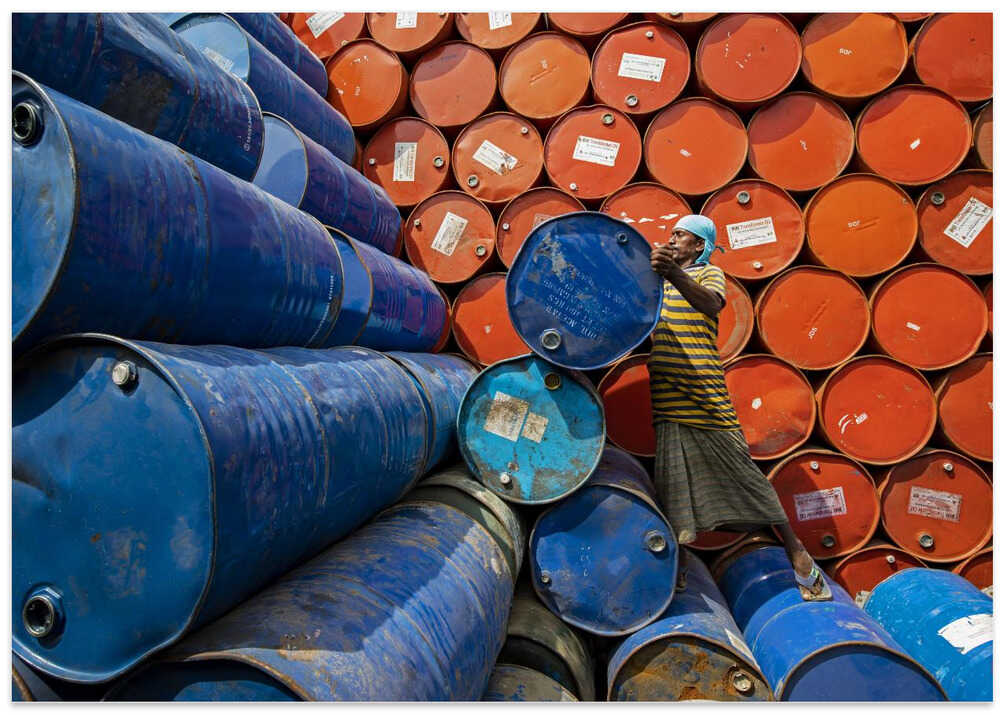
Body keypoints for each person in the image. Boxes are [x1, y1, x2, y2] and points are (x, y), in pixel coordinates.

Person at [648, 214, 831, 600]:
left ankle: (796, 552)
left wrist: (672, 275)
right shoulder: (658, 283)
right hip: (668, 391)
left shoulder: (706, 275)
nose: (673, 239)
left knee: (742, 471)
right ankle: (678, 563)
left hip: (703, 389)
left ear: (699, 246)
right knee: (675, 480)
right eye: (672, 234)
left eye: (681, 235)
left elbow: (712, 305)